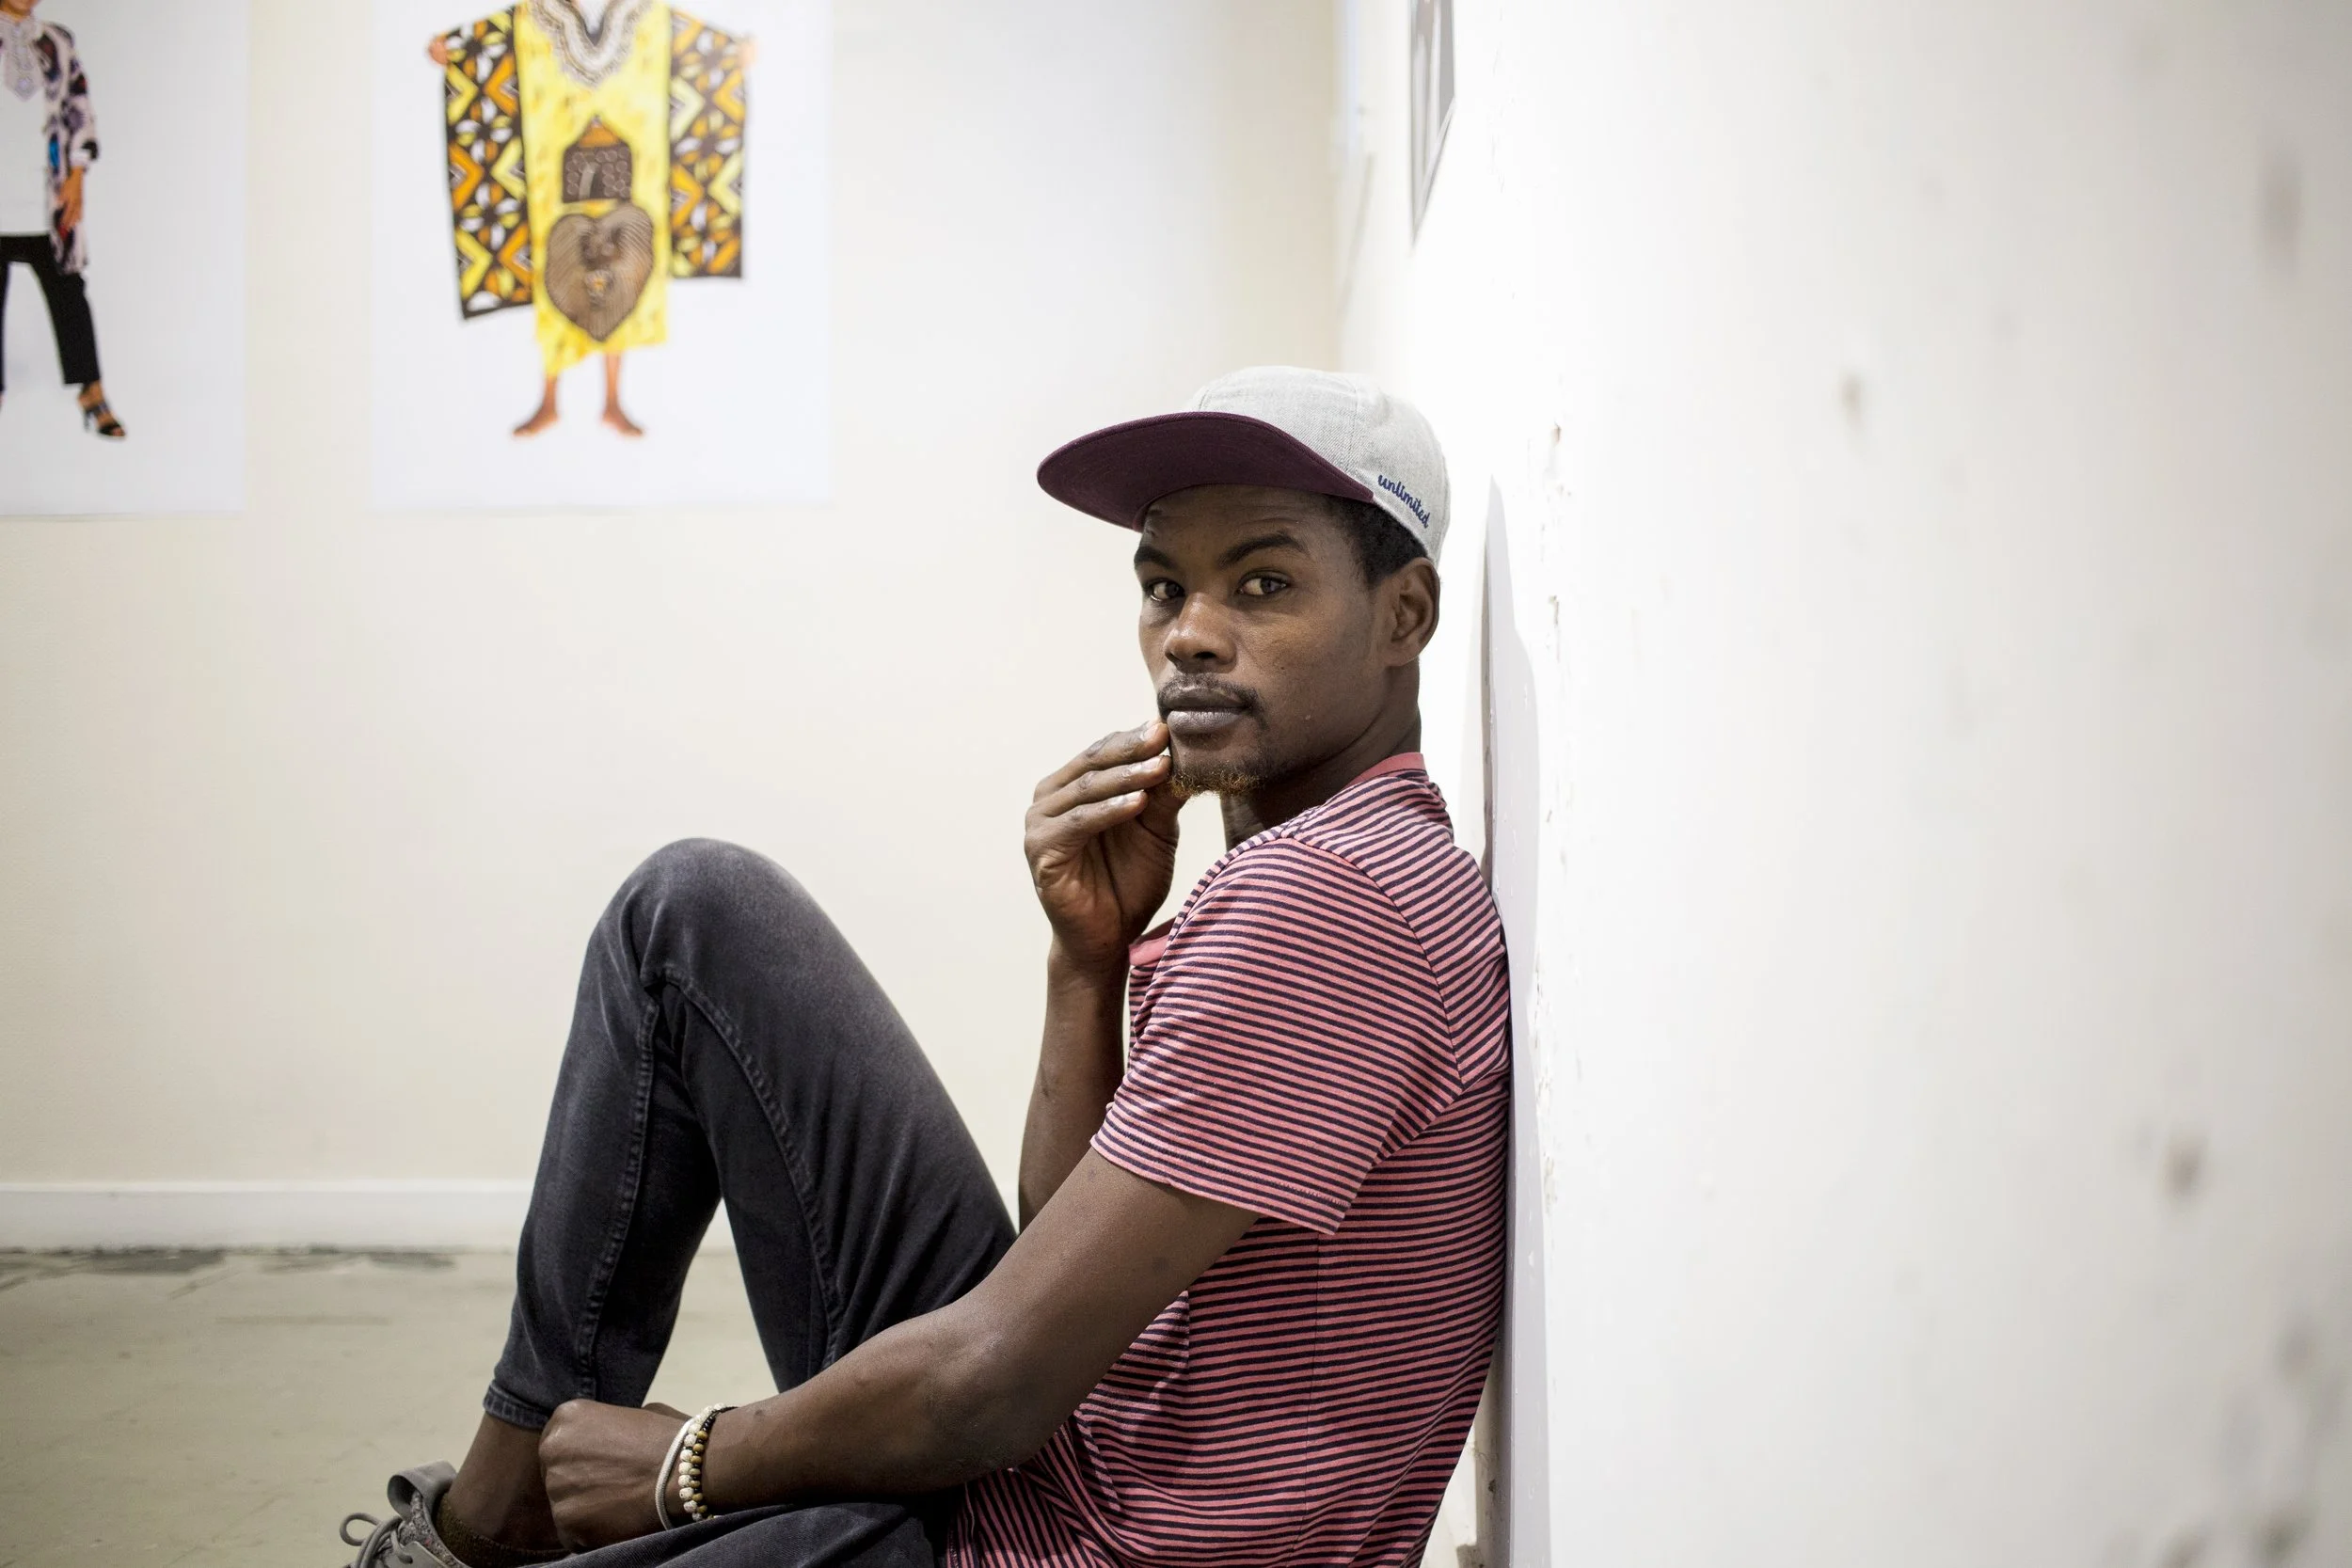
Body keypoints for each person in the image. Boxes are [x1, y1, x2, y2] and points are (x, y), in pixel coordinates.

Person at [338, 367, 1507, 1568]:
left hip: (1067, 1539)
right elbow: (1064, 1241)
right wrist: (1085, 961)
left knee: (691, 924)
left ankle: (485, 1526)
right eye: (1164, 586)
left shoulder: (1319, 903)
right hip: (1063, 1455)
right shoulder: (1349, 860)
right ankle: (498, 1507)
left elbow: (987, 1389)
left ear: (1403, 613)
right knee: (693, 912)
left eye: (1263, 583)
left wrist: (691, 1461)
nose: (1191, 633)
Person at [0, 0, 123, 439]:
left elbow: (78, 107)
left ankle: (91, 390)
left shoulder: (56, 40)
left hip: (42, 196)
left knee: (69, 294)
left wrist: (77, 176)